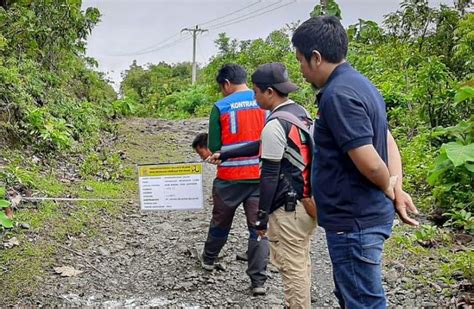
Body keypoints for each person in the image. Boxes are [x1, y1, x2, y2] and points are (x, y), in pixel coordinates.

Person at [291, 16, 419, 308]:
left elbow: (372, 163)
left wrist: (389, 185)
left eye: (300, 61)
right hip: (360, 216)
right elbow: (387, 140)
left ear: (316, 57)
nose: (300, 70)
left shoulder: (338, 96)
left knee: (363, 302)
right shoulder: (362, 85)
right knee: (354, 297)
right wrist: (396, 187)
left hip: (354, 222)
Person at [208, 62, 318, 308]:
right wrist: (227, 153)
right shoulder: (298, 112)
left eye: (256, 91)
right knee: (301, 262)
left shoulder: (275, 123)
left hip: (288, 207)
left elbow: (269, 176)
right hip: (307, 201)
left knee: (292, 270)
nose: (253, 96)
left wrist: (262, 218)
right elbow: (264, 144)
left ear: (269, 92)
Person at [199, 64, 268, 296]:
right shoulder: (265, 101)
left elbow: (215, 147)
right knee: (258, 228)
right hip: (260, 177)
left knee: (220, 222)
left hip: (229, 177)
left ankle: (209, 258)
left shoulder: (221, 107)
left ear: (226, 84)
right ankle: (258, 281)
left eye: (221, 87)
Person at [191, 132, 249, 262]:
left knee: (221, 220)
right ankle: (256, 254)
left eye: (201, 154)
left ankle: (209, 257)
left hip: (231, 183)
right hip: (255, 181)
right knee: (256, 222)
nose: (202, 159)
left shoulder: (226, 153)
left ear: (209, 147)